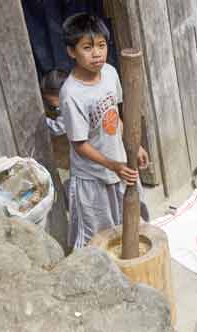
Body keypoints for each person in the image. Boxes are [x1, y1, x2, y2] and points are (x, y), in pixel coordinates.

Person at [60, 13, 149, 248]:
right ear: (72, 51)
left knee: (128, 224)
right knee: (98, 237)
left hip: (119, 164)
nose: (97, 53)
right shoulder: (72, 95)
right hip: (93, 177)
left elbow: (114, 117)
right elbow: (80, 145)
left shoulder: (110, 73)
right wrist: (114, 166)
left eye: (101, 45)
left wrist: (135, 147)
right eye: (87, 47)